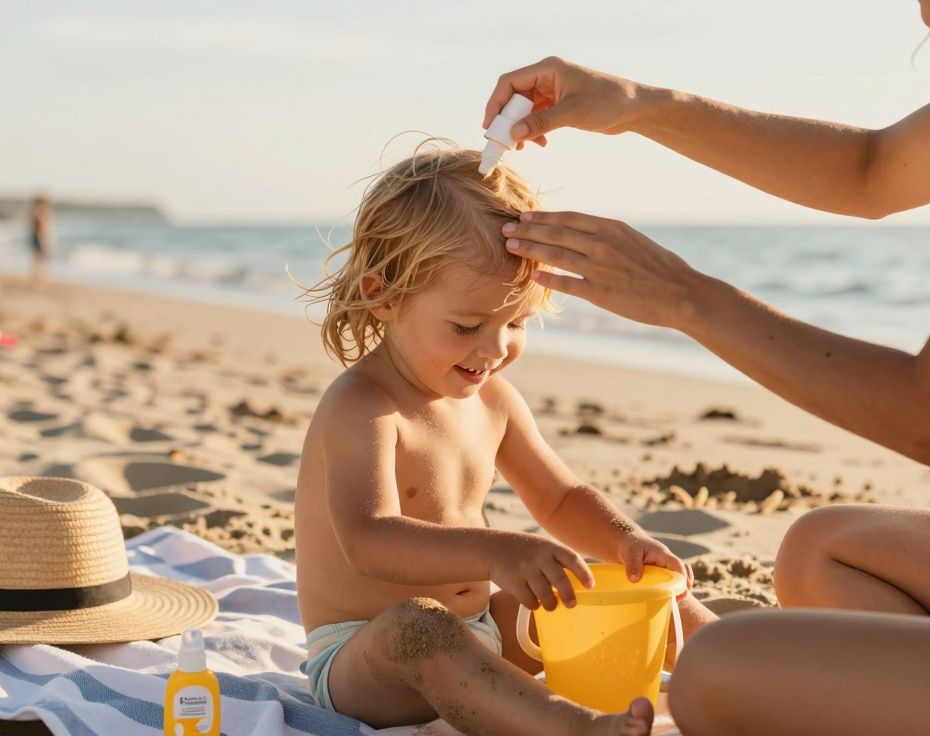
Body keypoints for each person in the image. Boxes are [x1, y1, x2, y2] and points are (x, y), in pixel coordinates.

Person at [483, 2, 930, 733]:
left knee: (718, 673)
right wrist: (638, 105)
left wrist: (685, 298)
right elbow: (875, 170)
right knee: (823, 554)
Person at [294, 141, 716, 736]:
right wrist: (497, 552)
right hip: (371, 659)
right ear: (381, 296)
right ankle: (575, 728)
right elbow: (368, 540)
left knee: (623, 584)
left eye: (516, 322)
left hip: (484, 632)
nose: (495, 348)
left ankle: (741, 668)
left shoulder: (493, 400)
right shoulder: (362, 405)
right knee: (421, 624)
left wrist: (627, 540)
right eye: (468, 325)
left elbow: (560, 499)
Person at [29, 194, 53, 285]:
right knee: (42, 259)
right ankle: (41, 279)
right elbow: (43, 230)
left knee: (38, 259)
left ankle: (38, 278)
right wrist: (45, 241)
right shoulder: (40, 214)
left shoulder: (34, 213)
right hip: (40, 238)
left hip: (36, 237)